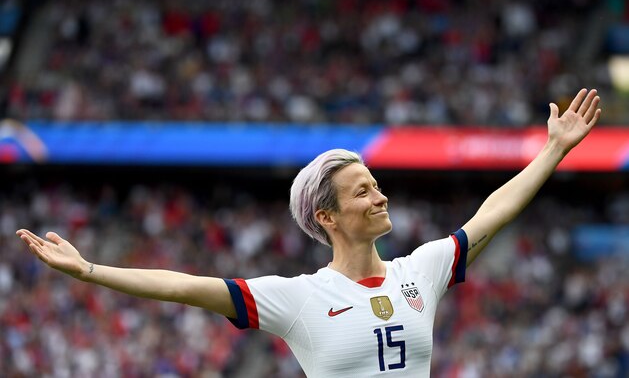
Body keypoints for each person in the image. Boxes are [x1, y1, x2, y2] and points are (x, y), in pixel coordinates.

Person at [17, 88, 601, 377]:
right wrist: (90, 270)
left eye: (377, 184)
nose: (381, 196)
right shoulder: (297, 299)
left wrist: (552, 151)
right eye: (364, 191)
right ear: (328, 216)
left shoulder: (419, 270)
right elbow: (180, 286)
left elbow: (493, 212)